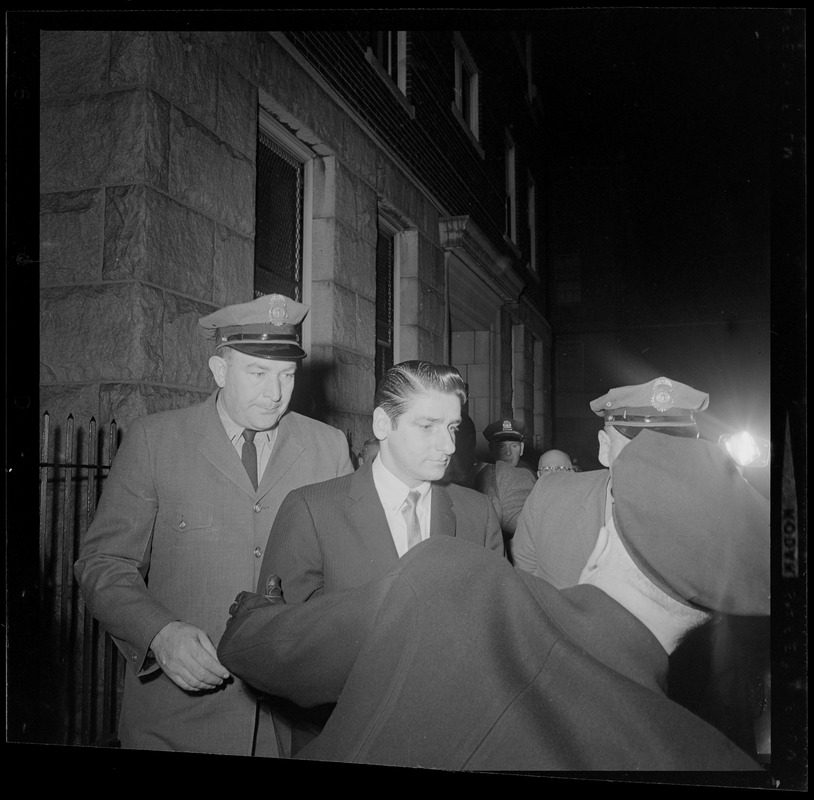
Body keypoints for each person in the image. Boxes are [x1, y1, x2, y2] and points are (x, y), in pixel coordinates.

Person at [218, 430, 770, 775]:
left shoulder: (452, 579)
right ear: (716, 613)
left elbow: (273, 651)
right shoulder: (701, 759)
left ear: (604, 530)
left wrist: (252, 614)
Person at [74, 293, 354, 756]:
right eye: (258, 373)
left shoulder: (328, 448)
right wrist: (159, 633)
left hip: (292, 731)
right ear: (220, 371)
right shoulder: (155, 441)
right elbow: (103, 563)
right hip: (177, 725)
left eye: (286, 375)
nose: (275, 392)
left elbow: (344, 578)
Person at [259, 360, 504, 606]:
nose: (449, 446)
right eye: (428, 426)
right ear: (382, 424)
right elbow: (278, 634)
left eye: (452, 427)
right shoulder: (312, 511)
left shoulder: (477, 513)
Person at [512, 376, 708, 588]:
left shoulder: (711, 522)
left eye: (674, 448)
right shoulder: (549, 497)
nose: (657, 461)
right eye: (639, 446)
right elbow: (525, 589)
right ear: (605, 448)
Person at [473, 417, 536, 552]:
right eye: (502, 446)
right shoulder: (482, 475)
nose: (508, 452)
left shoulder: (528, 476)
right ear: (491, 450)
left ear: (522, 449)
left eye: (514, 446)